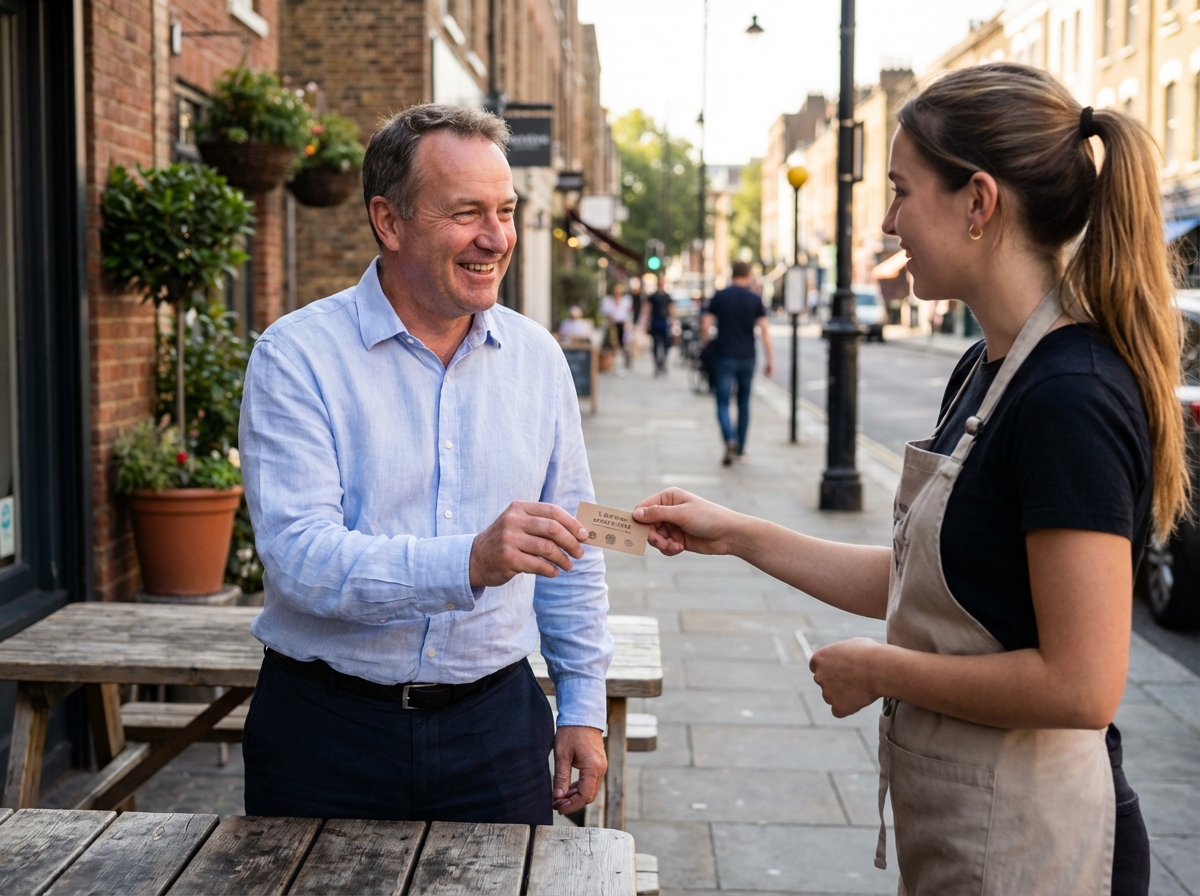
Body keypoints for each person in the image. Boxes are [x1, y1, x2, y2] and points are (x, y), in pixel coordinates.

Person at [633, 63, 1180, 895]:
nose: (888, 223)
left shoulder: (1071, 395)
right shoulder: (987, 367)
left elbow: (1082, 683)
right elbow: (940, 584)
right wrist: (738, 534)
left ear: (978, 203)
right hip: (972, 827)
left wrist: (882, 670)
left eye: (900, 191)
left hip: (1046, 847)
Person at [239, 104, 613, 825]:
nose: (496, 237)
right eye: (467, 212)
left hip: (498, 730)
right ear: (389, 220)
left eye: (505, 211)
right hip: (326, 733)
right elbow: (298, 558)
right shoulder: (296, 357)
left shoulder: (538, 360)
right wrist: (468, 560)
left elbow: (573, 552)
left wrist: (583, 707)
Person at [701, 261, 775, 465]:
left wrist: (705, 343)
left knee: (722, 401)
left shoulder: (720, 296)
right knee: (743, 403)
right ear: (748, 275)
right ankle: (741, 448)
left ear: (732, 274)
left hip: (724, 356)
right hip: (747, 357)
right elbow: (764, 331)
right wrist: (770, 359)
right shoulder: (754, 299)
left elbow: (706, 323)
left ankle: (729, 438)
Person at [600, 282, 633, 370]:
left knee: (624, 345)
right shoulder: (608, 301)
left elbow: (628, 313)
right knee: (612, 344)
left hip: (622, 325)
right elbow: (606, 313)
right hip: (613, 325)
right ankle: (611, 363)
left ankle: (626, 363)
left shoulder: (626, 301)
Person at [645, 277, 673, 375]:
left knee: (666, 344)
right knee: (656, 344)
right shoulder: (653, 296)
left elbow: (671, 309)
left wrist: (673, 321)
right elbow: (647, 309)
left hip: (664, 322)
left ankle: (663, 362)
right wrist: (646, 322)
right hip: (655, 322)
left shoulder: (667, 296)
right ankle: (657, 364)